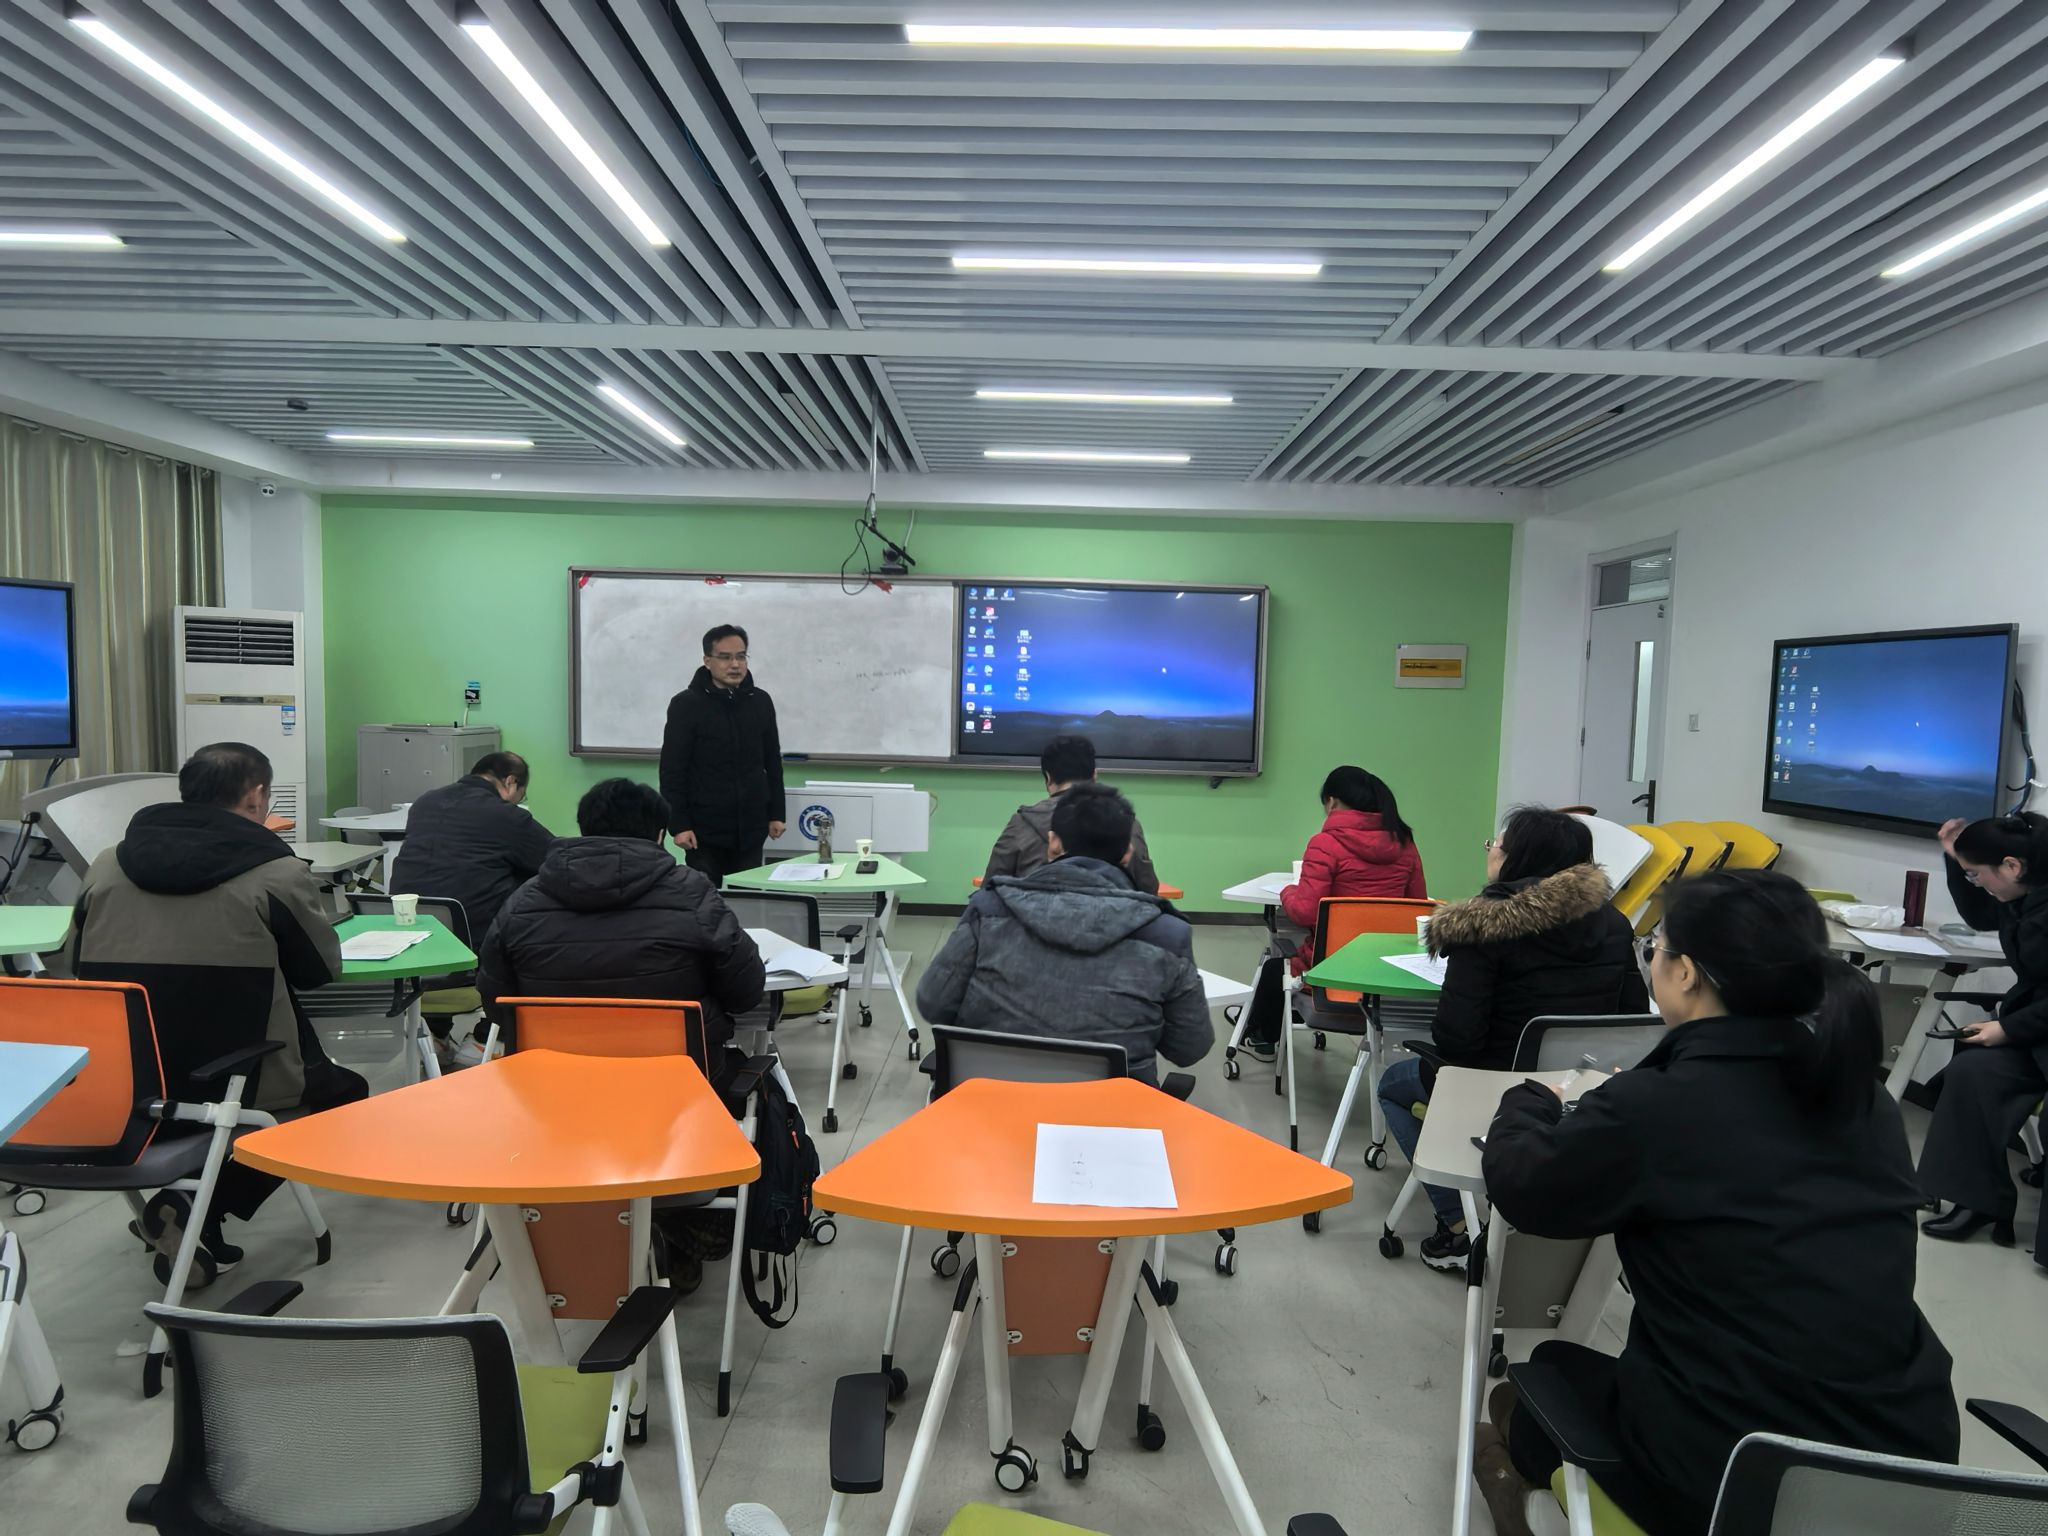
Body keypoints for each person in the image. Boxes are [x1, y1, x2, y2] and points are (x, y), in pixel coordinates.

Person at [1472, 870, 1959, 1536]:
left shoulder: (1657, 1106)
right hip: (1906, 1467)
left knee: (1537, 1389)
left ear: (1687, 973)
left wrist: (1526, 1103)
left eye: (1656, 947)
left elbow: (1524, 1188)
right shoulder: (1861, 1095)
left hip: (1739, 1481)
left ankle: (1531, 1506)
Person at [61, 741, 366, 1271]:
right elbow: (319, 972)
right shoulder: (277, 873)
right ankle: (197, 1208)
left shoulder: (108, 864)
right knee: (344, 1096)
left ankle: (195, 1224)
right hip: (234, 1076)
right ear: (256, 797)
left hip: (125, 1079)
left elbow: (74, 965)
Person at [1377, 806, 1644, 1272]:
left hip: (1493, 1089)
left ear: (1517, 858)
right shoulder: (1615, 924)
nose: (1490, 851)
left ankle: (1456, 1226)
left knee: (1393, 1085)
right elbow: (1631, 1016)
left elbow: (1458, 1042)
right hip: (1582, 1089)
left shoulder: (1481, 926)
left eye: (1495, 844)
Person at [921, 781, 1208, 1085]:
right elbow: (1189, 1048)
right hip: (1112, 1112)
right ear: (1127, 853)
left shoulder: (990, 909)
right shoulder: (1166, 934)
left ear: (1053, 843)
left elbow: (933, 1002)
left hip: (987, 1104)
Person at [476, 777, 765, 1055]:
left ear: (585, 829)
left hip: (550, 1078)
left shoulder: (524, 901)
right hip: (677, 1077)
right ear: (659, 836)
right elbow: (745, 993)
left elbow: (497, 1004)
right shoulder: (693, 893)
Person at [1916, 811, 2048, 1261]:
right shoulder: (2022, 896)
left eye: (1977, 874)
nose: (1976, 883)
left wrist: (2009, 1028)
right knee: (1972, 1071)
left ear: (2012, 866)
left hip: (2034, 1028)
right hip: (2035, 1032)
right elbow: (1980, 914)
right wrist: (1956, 860)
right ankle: (1978, 1202)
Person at [659, 624, 786, 887]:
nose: (735, 664)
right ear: (707, 661)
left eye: (741, 656)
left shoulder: (760, 701)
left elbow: (772, 761)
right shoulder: (686, 705)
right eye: (725, 657)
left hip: (751, 827)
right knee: (706, 900)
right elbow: (672, 770)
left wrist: (777, 813)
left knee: (747, 899)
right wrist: (679, 825)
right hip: (704, 831)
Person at [389, 750, 557, 946]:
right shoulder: (505, 814)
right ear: (511, 782)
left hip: (404, 922)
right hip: (469, 931)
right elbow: (555, 858)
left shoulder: (426, 801)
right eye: (521, 796)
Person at [1275, 765, 1426, 973]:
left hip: (1331, 967)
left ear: (1332, 802)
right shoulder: (1405, 843)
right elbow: (1418, 907)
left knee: (1271, 971)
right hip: (1388, 967)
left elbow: (1305, 913)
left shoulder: (1324, 843)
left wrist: (1288, 891)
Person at [985, 734, 1159, 894]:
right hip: (1118, 917)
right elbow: (1148, 888)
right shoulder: (1123, 820)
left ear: (1048, 778)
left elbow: (991, 887)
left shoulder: (1022, 823)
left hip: (1029, 916)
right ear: (1094, 775)